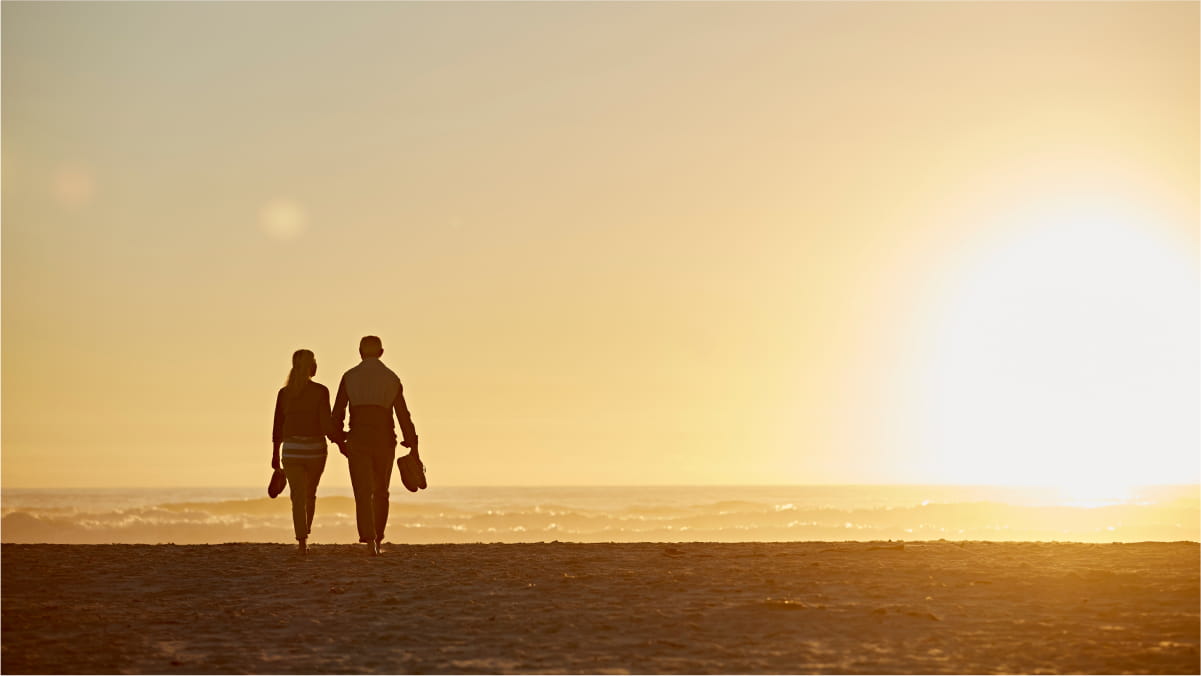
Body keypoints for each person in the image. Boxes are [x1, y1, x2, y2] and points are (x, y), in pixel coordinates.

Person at [332, 335, 419, 556]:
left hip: (358, 439)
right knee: (381, 491)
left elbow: (338, 411)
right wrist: (412, 441)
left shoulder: (349, 377)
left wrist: (339, 438)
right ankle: (378, 538)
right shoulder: (391, 378)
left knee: (362, 492)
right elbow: (402, 413)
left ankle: (369, 539)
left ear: (360, 352)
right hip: (384, 441)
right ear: (381, 352)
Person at [271, 349, 337, 555]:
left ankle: (302, 540)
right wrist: (341, 441)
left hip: (290, 451)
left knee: (296, 496)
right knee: (310, 494)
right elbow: (326, 423)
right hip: (315, 450)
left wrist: (274, 454)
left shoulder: (284, 393)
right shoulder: (321, 391)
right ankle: (305, 530)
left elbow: (277, 426)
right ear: (312, 366)